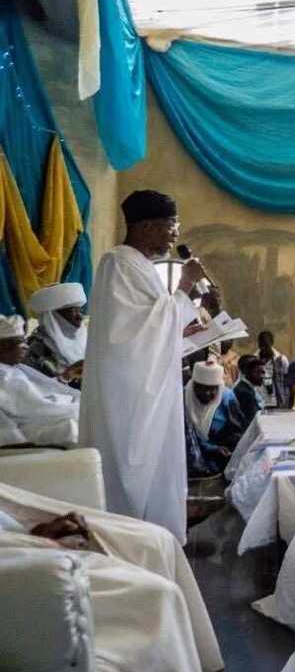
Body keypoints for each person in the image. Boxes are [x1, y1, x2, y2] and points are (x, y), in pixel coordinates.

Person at [79, 190, 204, 542]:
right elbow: (127, 342)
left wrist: (184, 330)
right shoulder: (119, 263)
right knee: (132, 476)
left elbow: (149, 329)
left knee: (156, 473)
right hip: (128, 398)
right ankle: (135, 543)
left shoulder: (137, 265)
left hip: (142, 387)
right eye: (171, 225)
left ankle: (155, 537)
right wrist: (185, 285)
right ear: (147, 226)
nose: (175, 234)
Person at [0, 482, 223, 672]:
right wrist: (36, 541)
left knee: (153, 542)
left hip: (16, 536)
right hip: (17, 568)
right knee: (158, 597)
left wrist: (34, 529)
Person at [0, 315, 80, 446]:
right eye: (20, 341)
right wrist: (75, 405)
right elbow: (36, 407)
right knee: (75, 423)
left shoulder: (15, 367)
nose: (26, 347)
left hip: (38, 417)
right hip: (27, 428)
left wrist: (67, 377)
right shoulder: (4, 376)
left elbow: (39, 393)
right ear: (3, 347)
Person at [24, 281, 86, 386]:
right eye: (73, 311)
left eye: (80, 311)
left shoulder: (85, 340)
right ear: (53, 317)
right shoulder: (35, 349)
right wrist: (69, 374)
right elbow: (36, 390)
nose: (80, 317)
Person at [184, 360, 246, 463]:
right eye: (202, 388)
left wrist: (225, 448)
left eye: (213, 389)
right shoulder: (184, 399)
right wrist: (211, 448)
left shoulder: (227, 398)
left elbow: (238, 430)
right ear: (194, 385)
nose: (207, 393)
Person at [255, 330, 290, 408]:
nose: (264, 348)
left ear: (271, 344)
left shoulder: (281, 359)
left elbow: (287, 380)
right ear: (258, 344)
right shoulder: (254, 360)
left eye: (266, 346)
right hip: (260, 401)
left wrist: (286, 398)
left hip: (277, 401)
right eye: (261, 346)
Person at [233, 354, 265, 425]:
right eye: (257, 373)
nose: (262, 376)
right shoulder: (245, 392)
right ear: (247, 373)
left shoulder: (247, 388)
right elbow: (252, 420)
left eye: (262, 373)